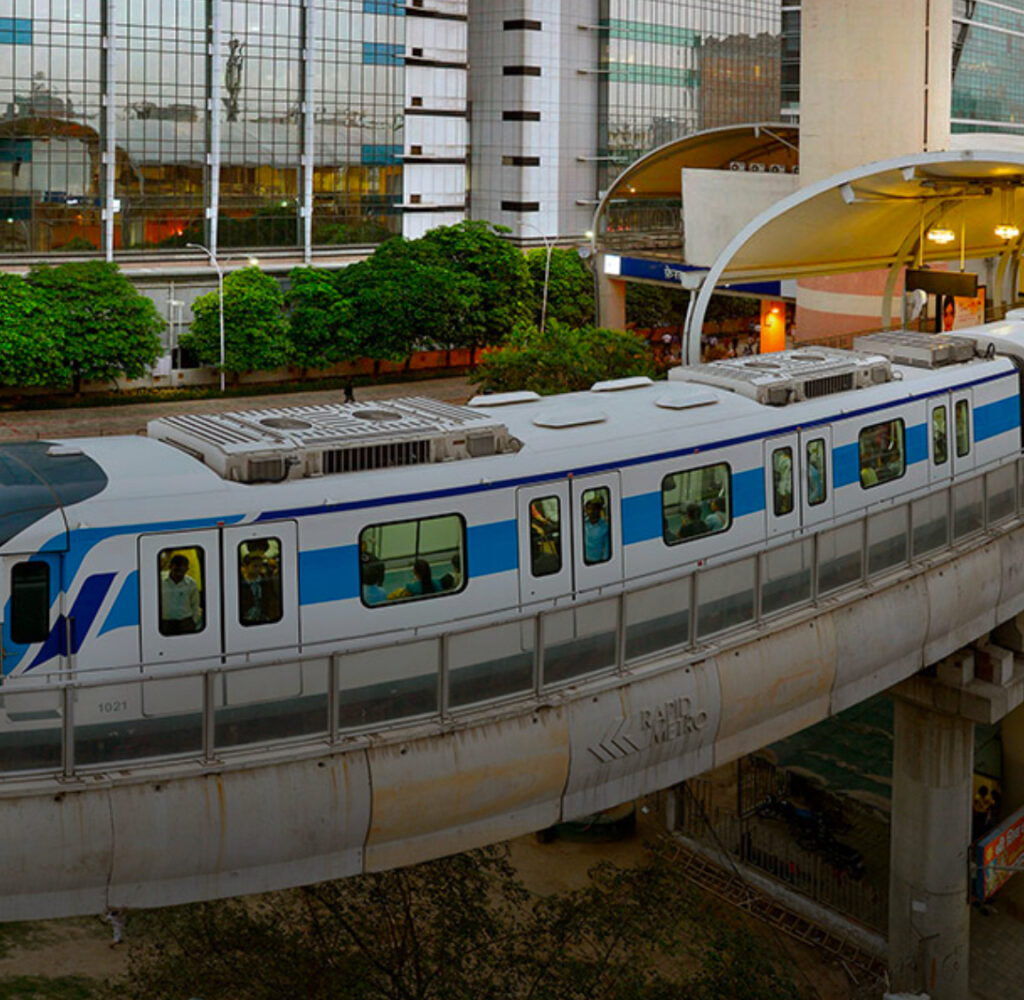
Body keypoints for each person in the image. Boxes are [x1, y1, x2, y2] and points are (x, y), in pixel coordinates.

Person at [160, 554, 201, 634]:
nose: (179, 574)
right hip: (165, 623)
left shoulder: (191, 584)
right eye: (176, 571)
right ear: (170, 567)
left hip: (185, 622)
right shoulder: (159, 580)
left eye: (182, 571)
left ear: (187, 570)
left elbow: (195, 605)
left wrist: (194, 622)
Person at [239, 553, 281, 624]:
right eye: (254, 566)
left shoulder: (265, 581)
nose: (258, 569)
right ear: (246, 566)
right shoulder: (242, 583)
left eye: (260, 566)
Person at [583, 498, 610, 563]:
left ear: (599, 511)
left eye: (594, 509)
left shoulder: (605, 527)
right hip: (583, 559)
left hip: (597, 561)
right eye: (589, 509)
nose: (591, 512)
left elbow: (607, 548)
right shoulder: (582, 524)